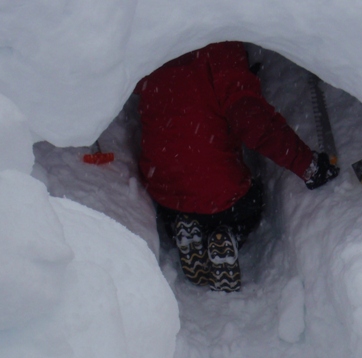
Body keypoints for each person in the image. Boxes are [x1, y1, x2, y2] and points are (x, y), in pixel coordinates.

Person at [136, 42, 339, 292]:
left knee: (181, 199)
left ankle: (187, 230)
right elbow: (253, 122)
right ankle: (228, 234)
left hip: (165, 191)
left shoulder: (152, 46)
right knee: (251, 203)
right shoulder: (221, 50)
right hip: (221, 195)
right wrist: (309, 166)